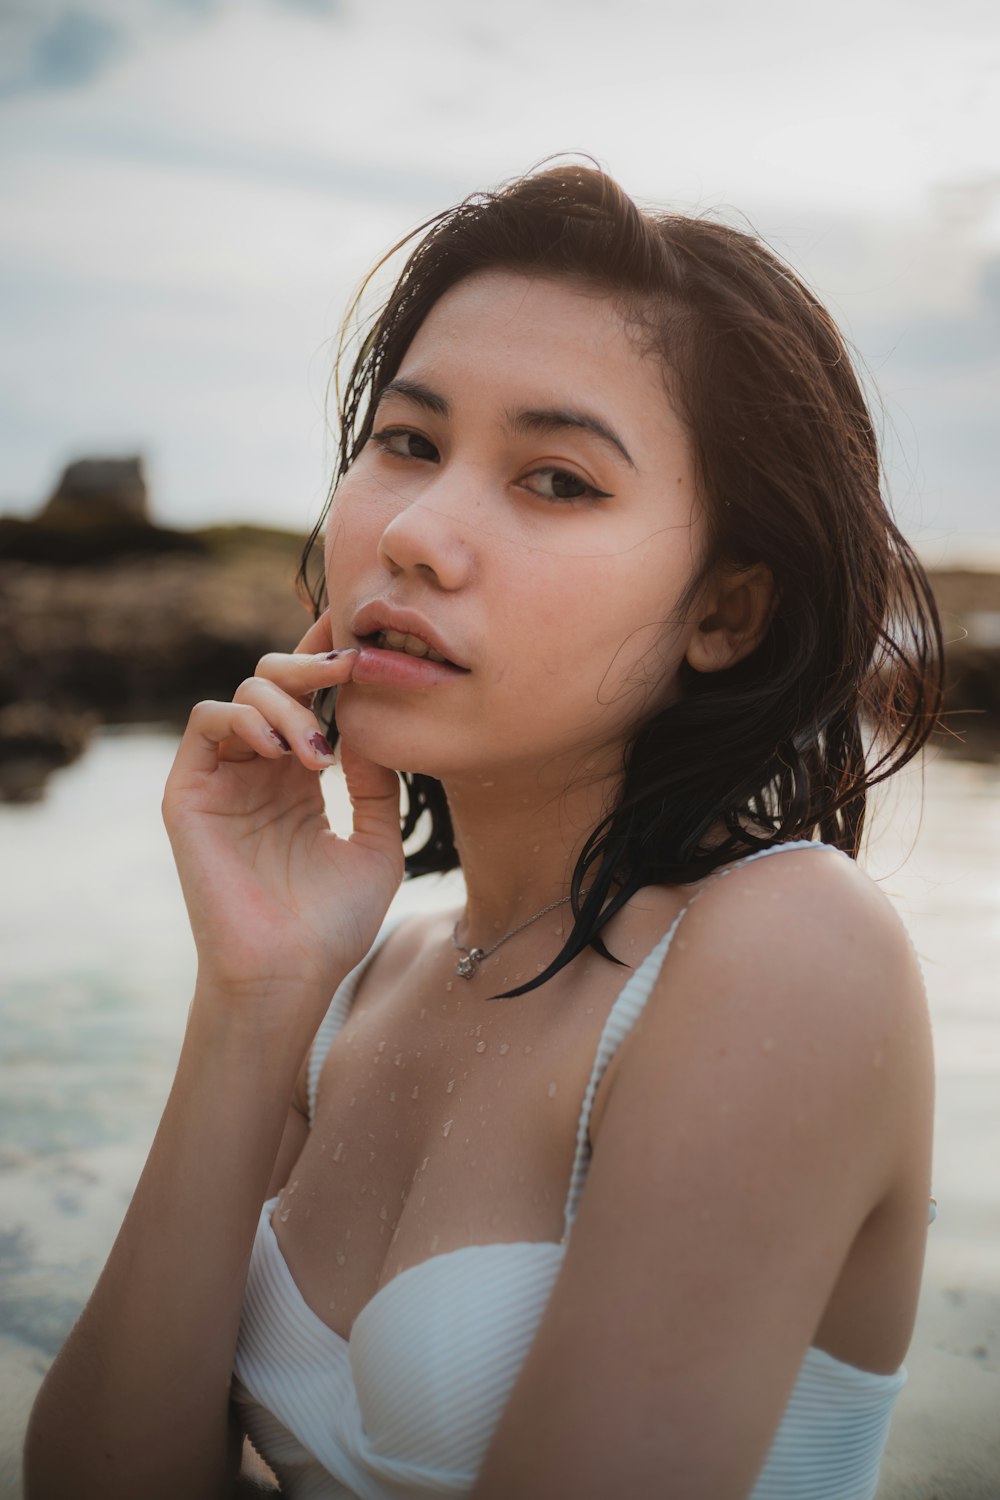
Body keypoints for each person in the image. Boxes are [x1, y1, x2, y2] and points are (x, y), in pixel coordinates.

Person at [25, 164, 943, 1500]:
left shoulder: (789, 952)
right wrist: (253, 994)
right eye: (406, 442)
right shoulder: (359, 988)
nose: (416, 533)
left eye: (557, 481)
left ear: (726, 614)